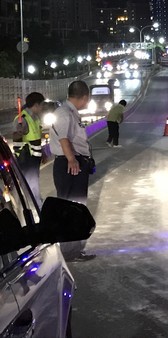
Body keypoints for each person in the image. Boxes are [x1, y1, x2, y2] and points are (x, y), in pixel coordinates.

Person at [49, 80, 96, 262]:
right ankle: (69, 252)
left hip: (72, 164)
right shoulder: (65, 113)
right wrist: (72, 159)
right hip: (69, 166)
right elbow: (64, 140)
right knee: (71, 209)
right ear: (84, 97)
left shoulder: (69, 113)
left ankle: (73, 250)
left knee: (76, 207)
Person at [13, 92, 46, 208]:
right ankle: (38, 211)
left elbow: (36, 138)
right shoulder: (22, 119)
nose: (42, 108)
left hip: (34, 160)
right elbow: (16, 138)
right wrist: (19, 132)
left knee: (33, 186)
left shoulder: (35, 119)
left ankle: (36, 206)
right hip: (26, 160)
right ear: (36, 105)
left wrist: (43, 153)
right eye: (42, 105)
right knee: (32, 188)